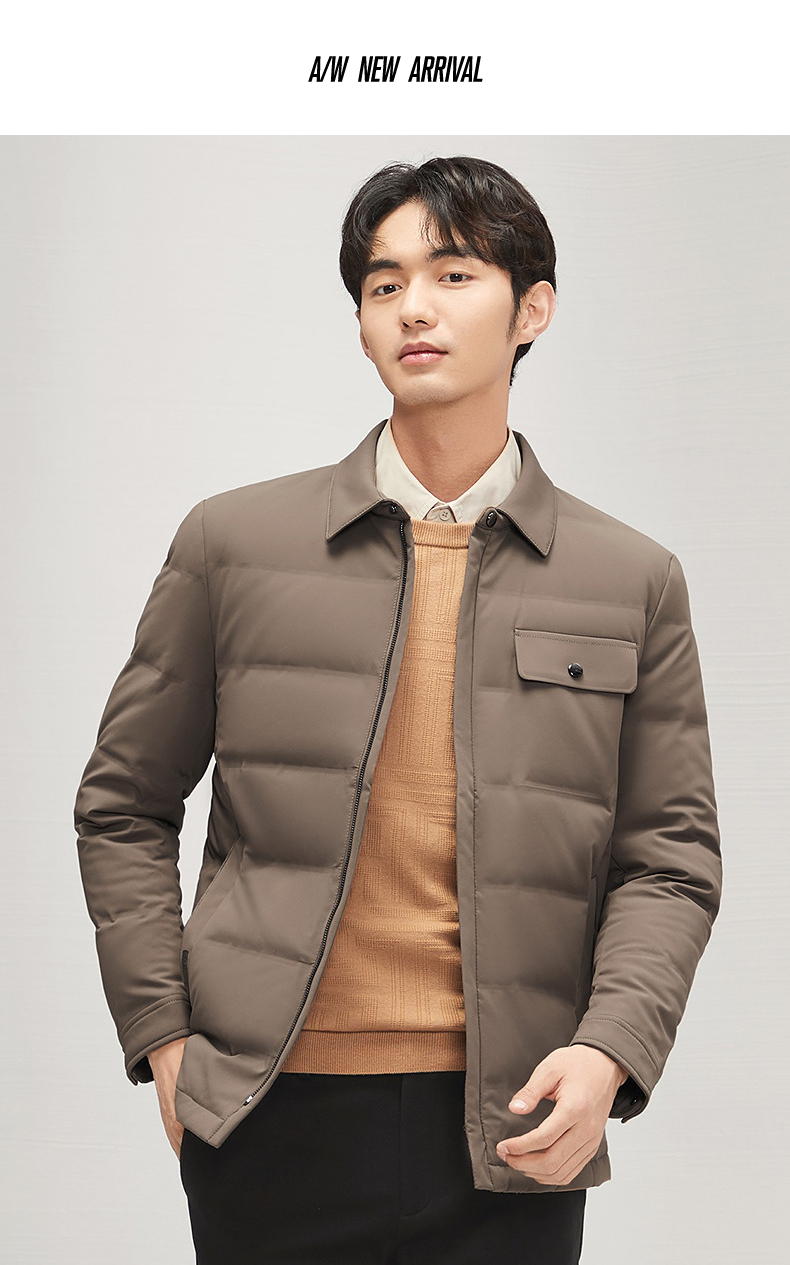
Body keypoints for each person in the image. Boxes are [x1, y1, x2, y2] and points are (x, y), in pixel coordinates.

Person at [73, 156, 722, 1265]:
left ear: (532, 308)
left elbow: (670, 857)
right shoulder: (233, 544)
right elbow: (122, 805)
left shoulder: (631, 578)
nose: (413, 306)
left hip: (512, 1125)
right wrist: (163, 1032)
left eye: (452, 274)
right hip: (268, 1114)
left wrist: (611, 1047)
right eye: (383, 284)